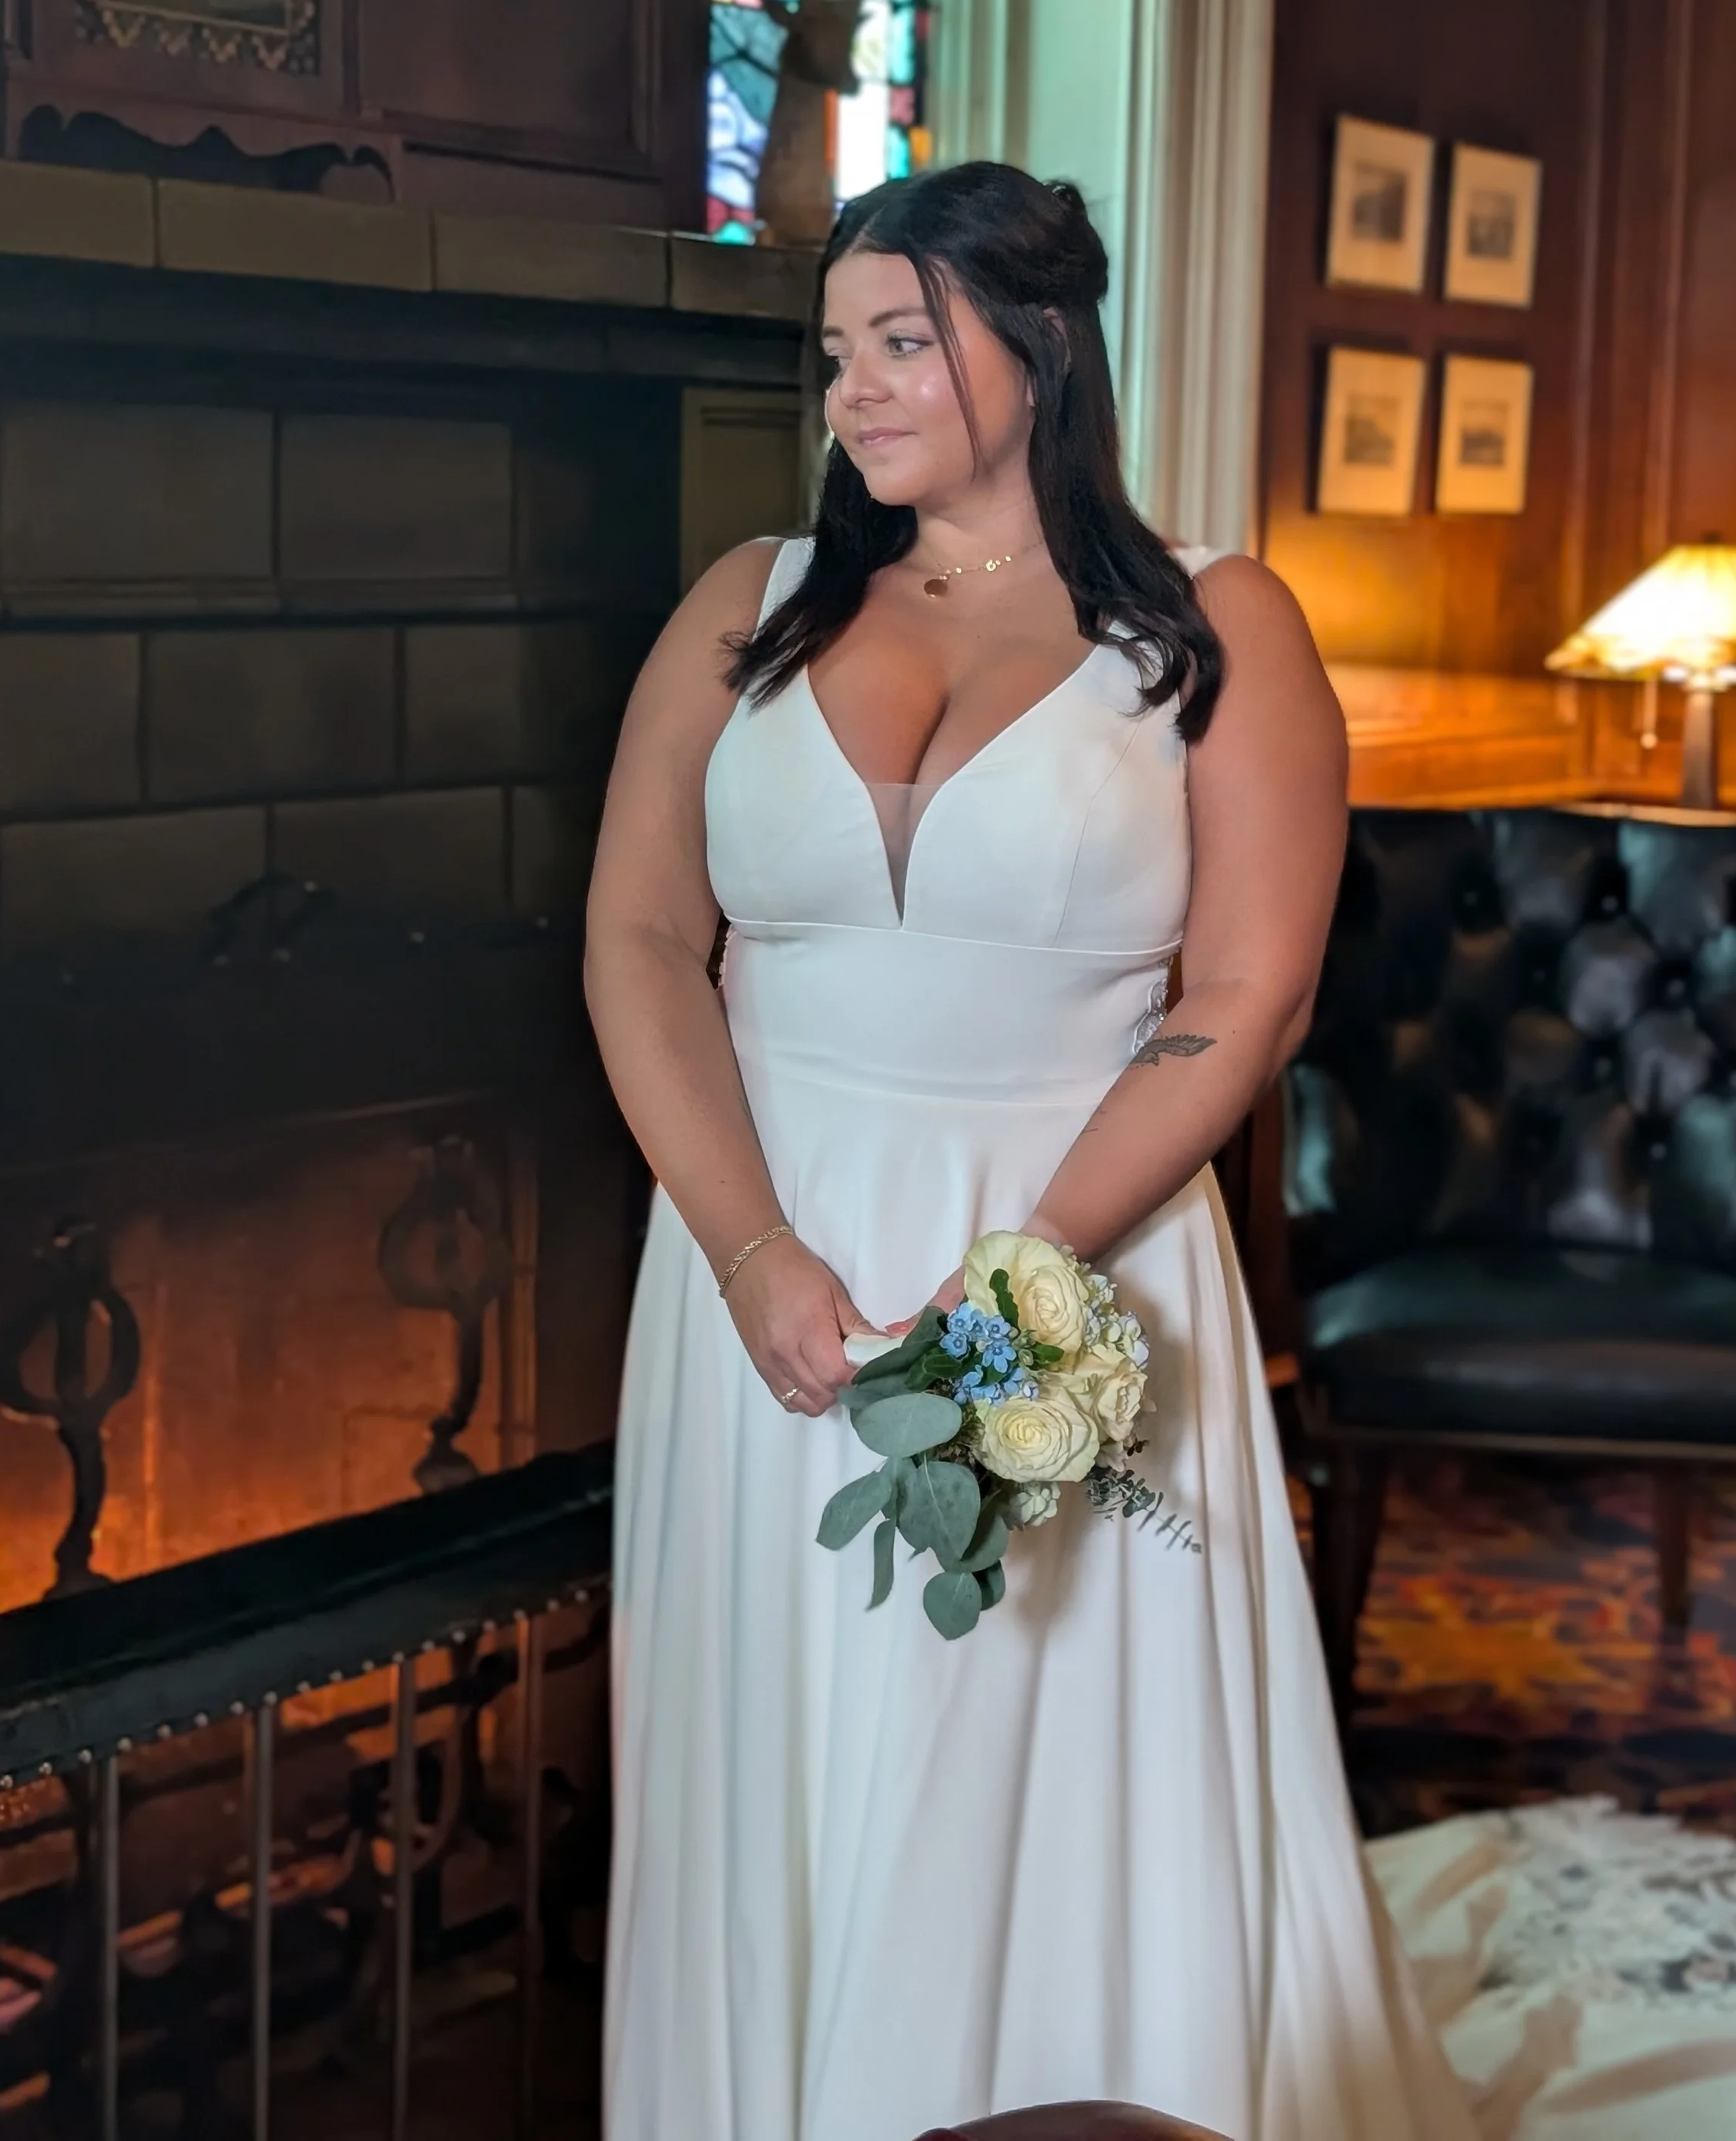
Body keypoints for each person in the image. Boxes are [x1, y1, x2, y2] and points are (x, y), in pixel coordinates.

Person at [585, 162, 1475, 2141]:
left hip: (1071, 1260)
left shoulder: (1213, 625)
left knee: (1021, 1748)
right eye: (836, 354)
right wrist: (742, 1249)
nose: (856, 393)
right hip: (760, 1273)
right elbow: (637, 940)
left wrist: (1018, 1287)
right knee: (783, 1744)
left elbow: (1238, 1000)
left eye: (904, 342)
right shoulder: (744, 607)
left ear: (1039, 347)